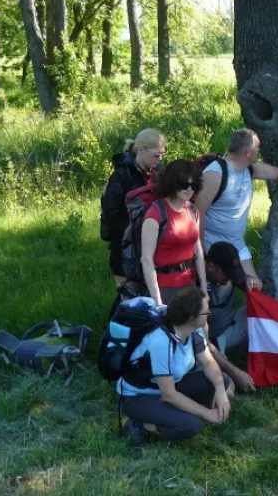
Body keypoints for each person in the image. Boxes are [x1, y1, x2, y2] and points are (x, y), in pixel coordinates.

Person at [118, 287, 232, 446]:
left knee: (222, 380)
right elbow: (169, 394)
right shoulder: (161, 342)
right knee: (191, 426)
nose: (209, 314)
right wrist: (208, 414)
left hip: (167, 386)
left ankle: (178, 413)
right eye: (205, 312)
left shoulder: (194, 330)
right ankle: (138, 426)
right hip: (138, 396)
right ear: (192, 318)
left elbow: (208, 362)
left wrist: (220, 389)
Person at [194, 128, 278, 289]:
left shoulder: (250, 168)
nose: (259, 150)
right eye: (257, 147)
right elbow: (197, 213)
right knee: (218, 292)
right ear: (248, 152)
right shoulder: (215, 174)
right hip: (213, 244)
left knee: (255, 287)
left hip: (237, 242)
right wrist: (201, 253)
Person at [101, 128, 166, 286]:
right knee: (129, 302)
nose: (160, 158)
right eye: (156, 154)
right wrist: (139, 230)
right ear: (141, 150)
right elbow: (111, 215)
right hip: (124, 252)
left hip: (151, 250)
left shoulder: (156, 173)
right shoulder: (122, 176)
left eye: (163, 154)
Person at [141, 160, 207, 306]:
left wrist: (203, 285)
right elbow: (146, 260)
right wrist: (157, 301)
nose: (189, 189)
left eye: (193, 185)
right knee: (171, 328)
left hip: (189, 283)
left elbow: (198, 251)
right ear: (172, 183)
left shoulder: (192, 210)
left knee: (201, 327)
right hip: (164, 288)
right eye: (184, 184)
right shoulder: (156, 213)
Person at [204, 241, 259, 393]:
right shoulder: (195, 285)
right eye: (227, 275)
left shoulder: (231, 273)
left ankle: (260, 361)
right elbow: (200, 340)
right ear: (211, 267)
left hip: (230, 326)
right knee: (228, 387)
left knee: (259, 319)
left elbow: (253, 287)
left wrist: (252, 283)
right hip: (207, 341)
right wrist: (235, 372)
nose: (231, 278)